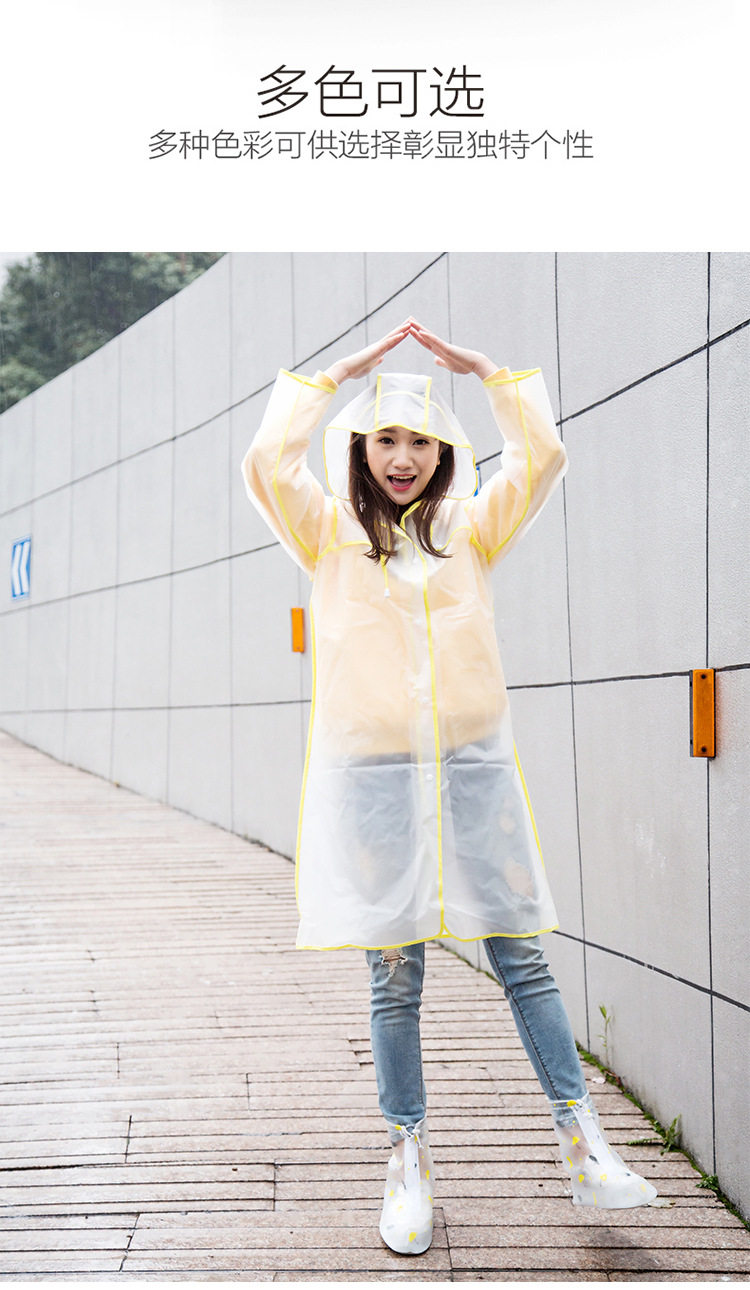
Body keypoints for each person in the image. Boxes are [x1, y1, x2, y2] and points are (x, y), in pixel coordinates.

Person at [241, 317, 657, 1256]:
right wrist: (332, 379)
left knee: (522, 955)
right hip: (374, 785)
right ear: (360, 447)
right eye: (385, 439)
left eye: (420, 442)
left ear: (444, 454)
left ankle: (584, 1145)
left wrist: (493, 377)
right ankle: (408, 1160)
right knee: (395, 977)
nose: (402, 458)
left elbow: (543, 458)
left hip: (472, 775)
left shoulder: (471, 528)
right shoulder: (326, 532)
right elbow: (267, 461)